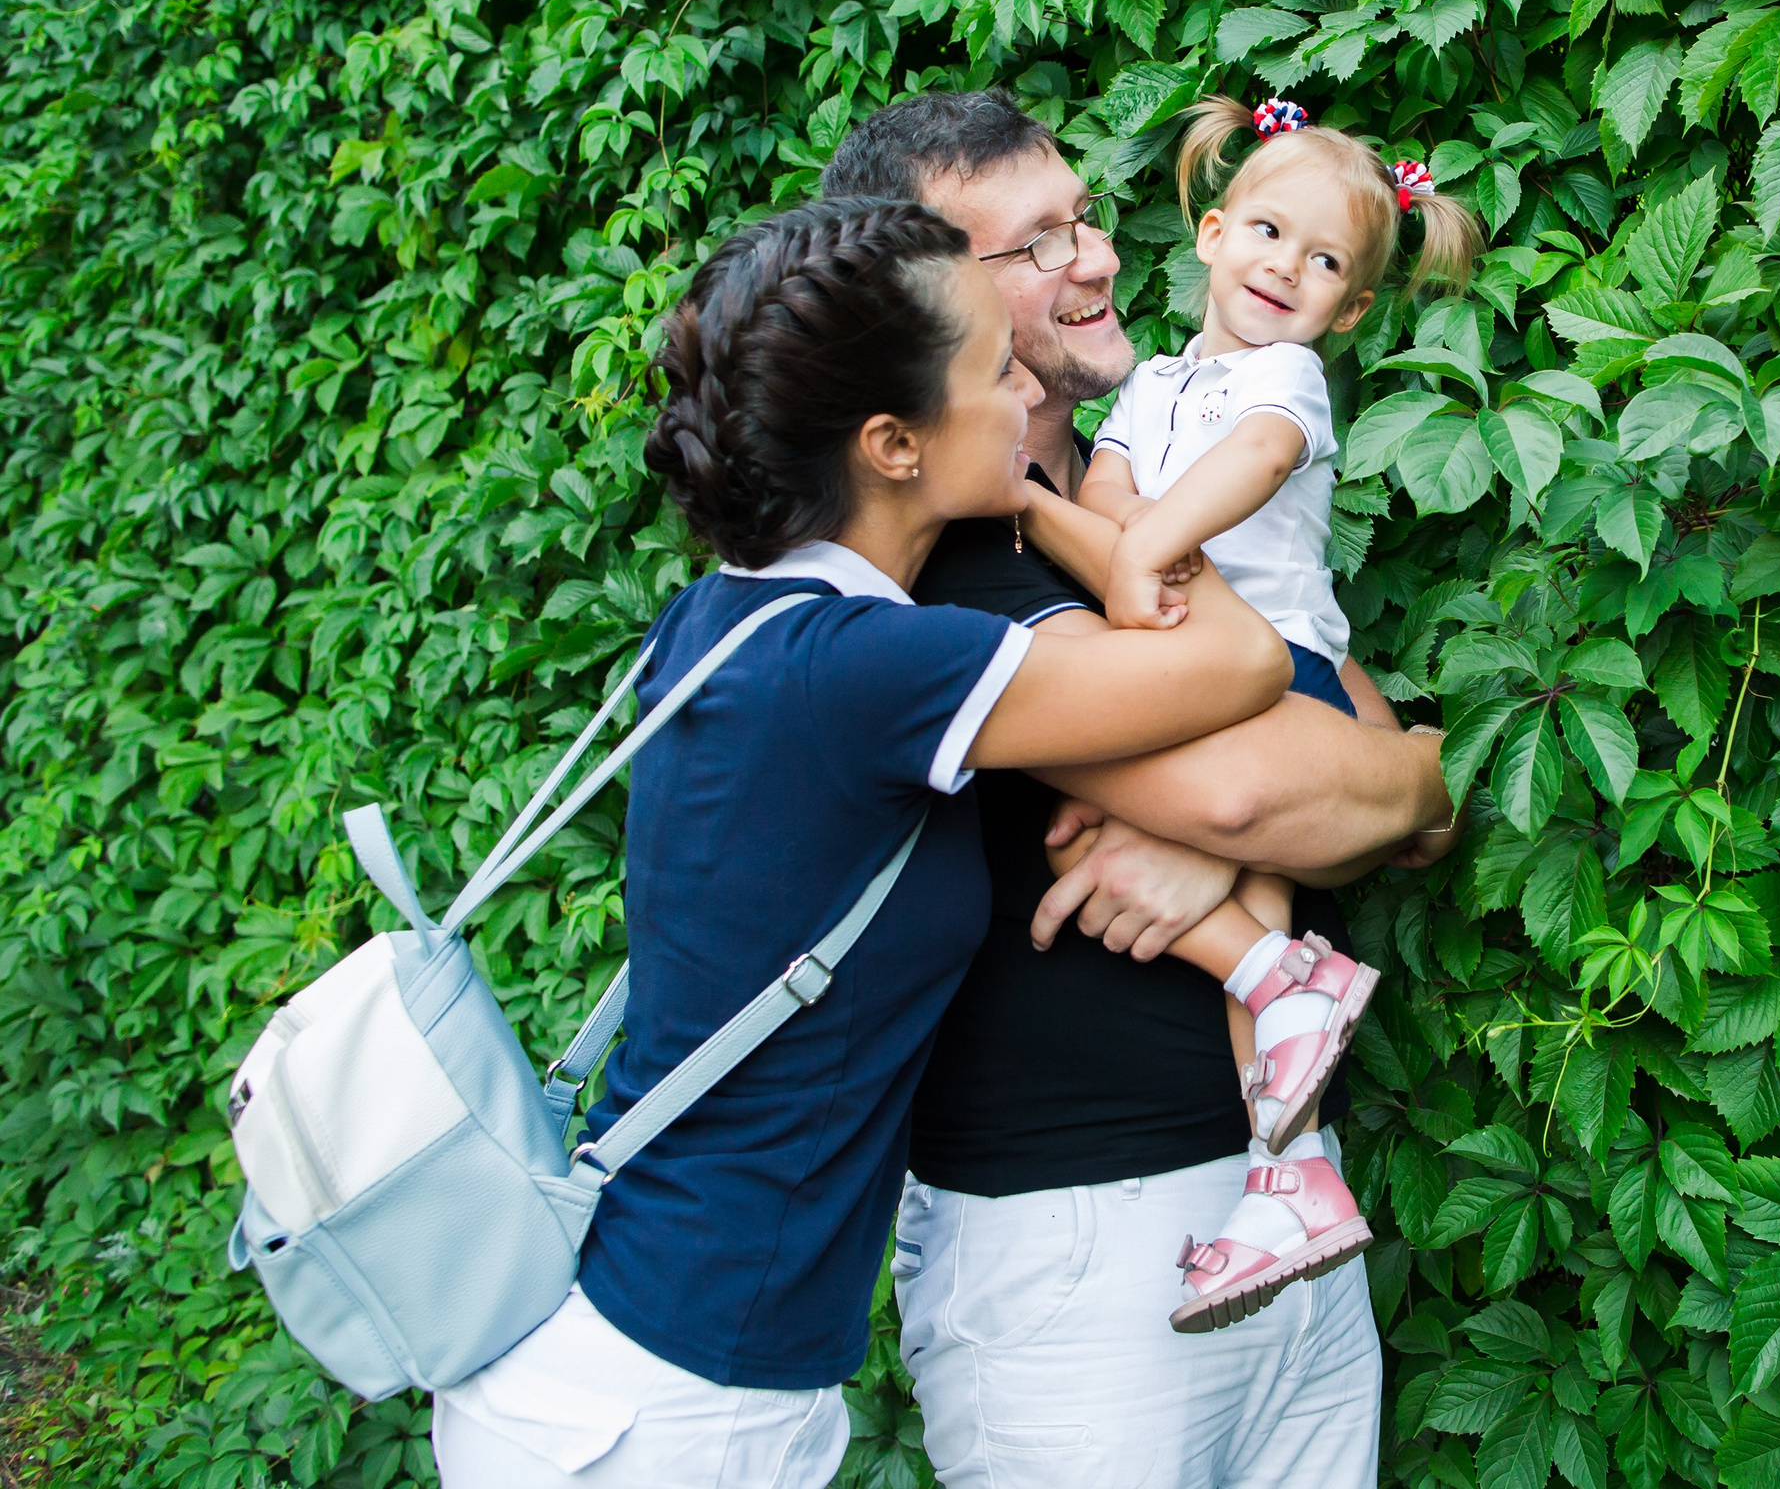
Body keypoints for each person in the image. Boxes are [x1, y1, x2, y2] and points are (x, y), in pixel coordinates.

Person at [430, 197, 1304, 1487]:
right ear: (895, 443)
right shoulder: (866, 669)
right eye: (993, 372)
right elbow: (1242, 660)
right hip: (674, 1408)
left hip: (656, 1354)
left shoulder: (727, 620)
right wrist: (1123, 516)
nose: (1027, 394)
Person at [819, 93, 1456, 1486]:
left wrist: (1373, 785)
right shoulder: (943, 563)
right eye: (1038, 244)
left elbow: (1394, 792)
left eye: (1084, 218)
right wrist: (1282, 810)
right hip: (1080, 1255)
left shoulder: (1137, 503)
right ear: (928, 302)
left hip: (1285, 1208)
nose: (1100, 260)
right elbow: (1257, 791)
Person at [1073, 93, 1484, 1329]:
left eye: (1322, 264)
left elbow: (1248, 465)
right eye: (1264, 233)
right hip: (1181, 663)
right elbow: (1101, 486)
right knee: (1266, 981)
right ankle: (1285, 1175)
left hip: (1275, 668)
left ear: (1348, 310)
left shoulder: (1288, 379)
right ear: (1205, 233)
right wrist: (1115, 538)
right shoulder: (1151, 381)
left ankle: (1280, 1125)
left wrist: (1141, 547)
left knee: (1254, 917)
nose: (1283, 270)